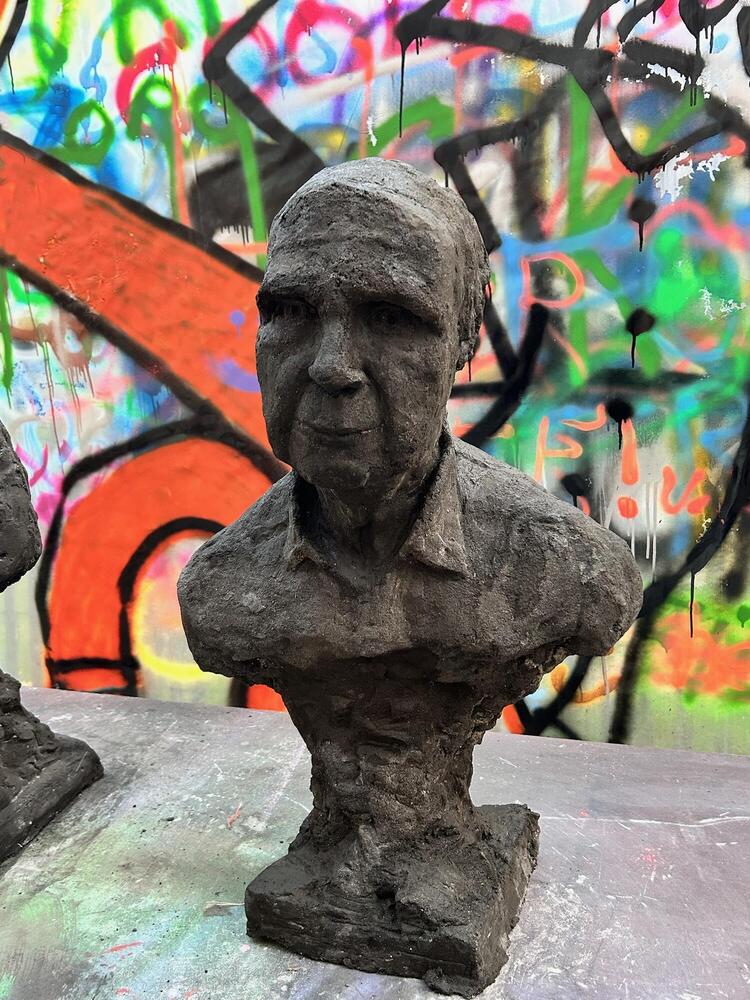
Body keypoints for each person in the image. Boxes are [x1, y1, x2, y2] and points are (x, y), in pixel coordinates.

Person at [178, 158, 642, 996]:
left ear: (464, 342)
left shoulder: (561, 567)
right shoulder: (223, 588)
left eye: (391, 317)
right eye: (290, 312)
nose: (331, 366)